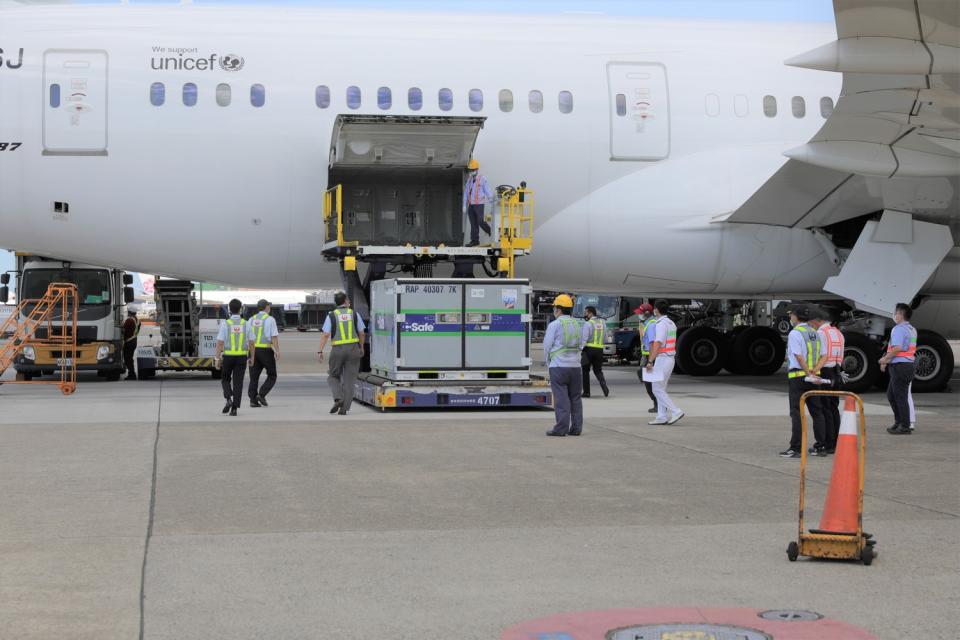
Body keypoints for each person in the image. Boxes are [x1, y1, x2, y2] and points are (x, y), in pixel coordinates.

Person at [779, 304, 827, 458]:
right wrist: (814, 372)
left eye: (791, 315)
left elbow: (799, 356)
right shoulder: (816, 332)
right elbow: (824, 356)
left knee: (797, 413)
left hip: (798, 378)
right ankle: (820, 446)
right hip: (814, 378)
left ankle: (796, 448)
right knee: (817, 412)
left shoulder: (795, 333)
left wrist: (807, 372)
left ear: (797, 317)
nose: (790, 317)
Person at [544, 294, 586, 436]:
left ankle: (561, 429)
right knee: (575, 398)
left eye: (555, 307)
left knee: (561, 399)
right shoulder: (578, 324)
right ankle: (576, 428)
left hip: (558, 366)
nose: (554, 310)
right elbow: (581, 344)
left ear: (559, 309)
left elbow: (547, 346)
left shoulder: (554, 325)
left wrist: (548, 363)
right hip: (575, 367)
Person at [318, 291, 366, 415]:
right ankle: (344, 409)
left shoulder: (331, 315)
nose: (349, 302)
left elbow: (325, 334)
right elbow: (361, 333)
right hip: (353, 349)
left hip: (337, 350)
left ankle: (338, 398)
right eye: (348, 300)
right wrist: (361, 347)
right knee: (350, 380)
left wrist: (320, 350)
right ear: (345, 301)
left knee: (333, 375)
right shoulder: (354, 314)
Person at [644, 299, 684, 425]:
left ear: (656, 310)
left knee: (656, 389)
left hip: (662, 358)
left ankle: (676, 411)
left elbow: (658, 343)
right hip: (669, 358)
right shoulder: (671, 323)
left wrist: (650, 361)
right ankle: (661, 416)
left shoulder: (660, 324)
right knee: (661, 388)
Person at [880, 302, 916, 435]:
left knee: (899, 396)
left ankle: (904, 425)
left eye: (896, 312)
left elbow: (897, 348)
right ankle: (899, 422)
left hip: (901, 366)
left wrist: (884, 359)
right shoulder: (911, 328)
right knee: (892, 395)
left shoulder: (899, 329)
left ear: (901, 314)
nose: (894, 315)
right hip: (906, 365)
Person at [813, 307, 844, 454]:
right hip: (836, 372)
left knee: (825, 409)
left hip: (824, 371)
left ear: (819, 320)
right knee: (833, 408)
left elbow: (819, 354)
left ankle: (828, 443)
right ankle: (836, 441)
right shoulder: (838, 333)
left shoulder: (820, 333)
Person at [215, 298, 250, 417]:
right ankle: (234, 409)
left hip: (229, 357)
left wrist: (217, 358)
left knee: (225, 379)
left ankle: (228, 398)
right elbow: (252, 343)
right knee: (238, 383)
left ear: (229, 309)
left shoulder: (226, 324)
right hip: (241, 357)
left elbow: (220, 343)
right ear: (240, 309)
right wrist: (252, 357)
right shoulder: (246, 324)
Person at [247, 299, 279, 408]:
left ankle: (253, 400)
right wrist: (277, 351)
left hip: (253, 350)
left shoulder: (251, 319)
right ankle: (261, 394)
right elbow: (274, 336)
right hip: (265, 350)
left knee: (254, 376)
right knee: (272, 375)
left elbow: (247, 337)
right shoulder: (270, 319)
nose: (269, 308)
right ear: (266, 307)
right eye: (269, 306)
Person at [462, 158, 493, 247]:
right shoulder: (469, 180)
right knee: (473, 223)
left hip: (479, 204)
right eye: (470, 170)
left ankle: (490, 231)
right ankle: (475, 240)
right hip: (471, 205)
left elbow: (488, 191)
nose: (471, 172)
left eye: (472, 170)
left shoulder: (482, 179)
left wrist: (492, 204)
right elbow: (466, 193)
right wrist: (464, 205)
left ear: (476, 170)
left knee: (480, 221)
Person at [633, 303, 658, 413]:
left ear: (647, 313)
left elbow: (653, 343)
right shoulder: (647, 323)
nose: (640, 315)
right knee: (648, 381)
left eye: (641, 313)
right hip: (647, 355)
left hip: (650, 356)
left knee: (650, 383)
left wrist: (650, 361)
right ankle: (657, 403)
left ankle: (658, 404)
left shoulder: (651, 325)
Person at [581, 305, 609, 398]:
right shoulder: (603, 323)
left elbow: (584, 339)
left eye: (586, 313)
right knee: (598, 370)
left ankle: (586, 392)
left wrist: (580, 349)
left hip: (588, 350)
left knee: (585, 371)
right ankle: (604, 385)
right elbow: (605, 338)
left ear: (590, 313)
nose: (585, 315)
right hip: (599, 350)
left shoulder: (588, 323)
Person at [122, 308, 141, 380]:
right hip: (134, 340)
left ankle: (132, 374)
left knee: (127, 358)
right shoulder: (138, 320)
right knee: (130, 358)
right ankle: (131, 373)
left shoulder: (129, 320)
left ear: (130, 312)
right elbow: (137, 331)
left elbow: (124, 331)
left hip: (129, 341)